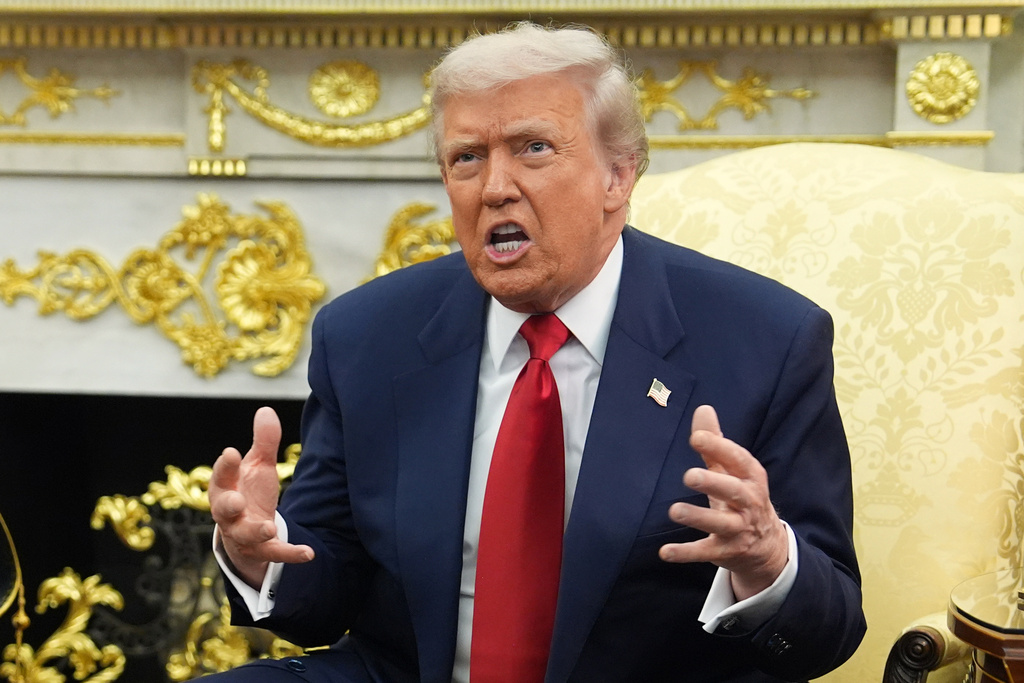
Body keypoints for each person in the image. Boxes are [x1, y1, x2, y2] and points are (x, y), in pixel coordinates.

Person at [207, 21, 865, 683]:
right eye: (468, 157)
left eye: (533, 148)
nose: (495, 187)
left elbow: (830, 627)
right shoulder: (368, 335)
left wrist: (767, 558)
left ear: (618, 175)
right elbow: (326, 590)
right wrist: (259, 552)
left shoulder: (765, 339)